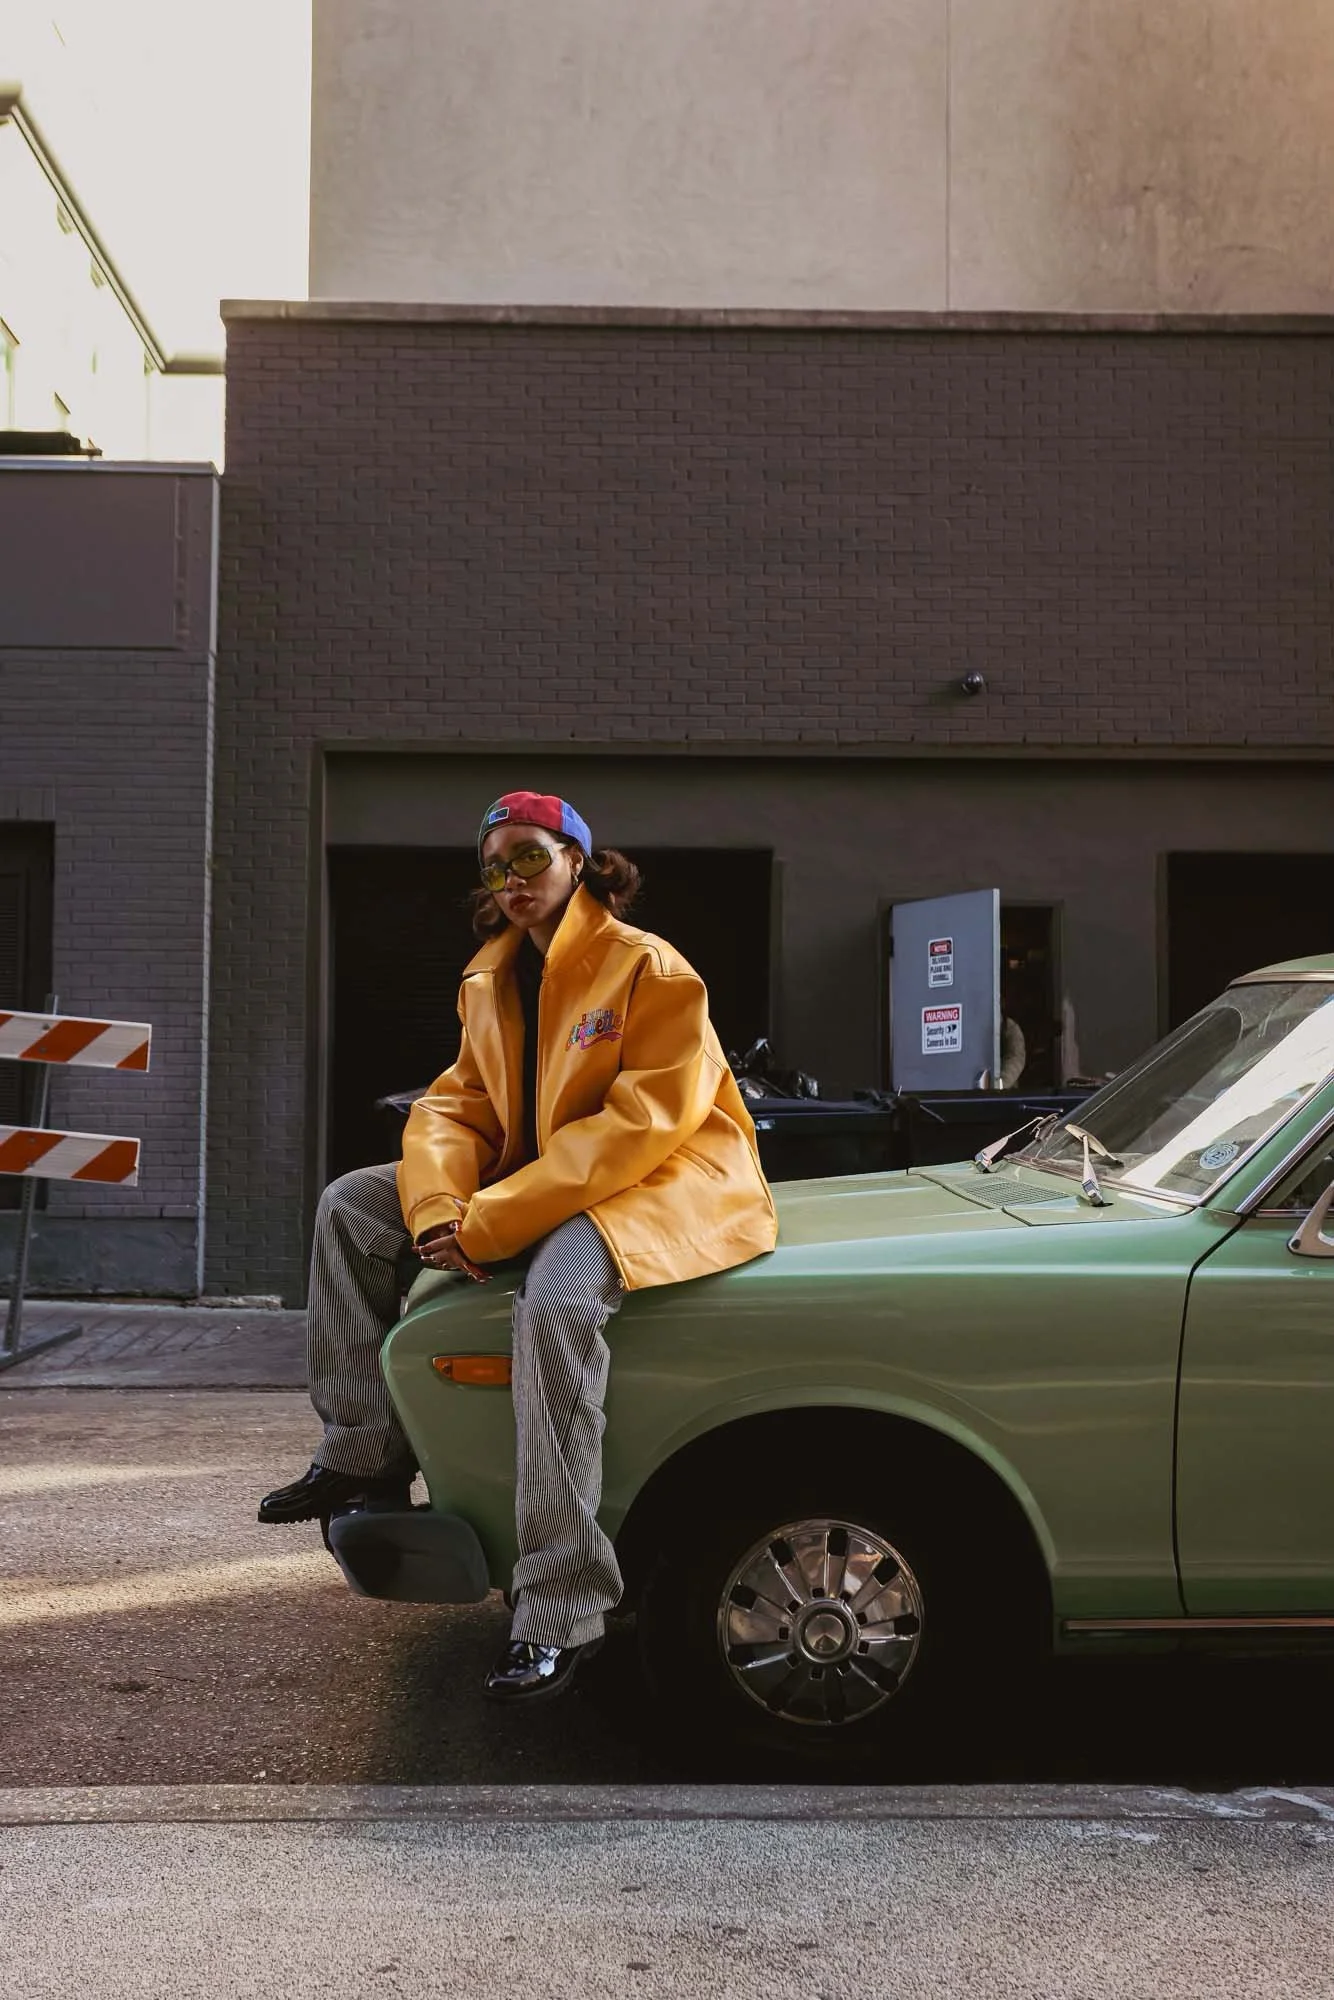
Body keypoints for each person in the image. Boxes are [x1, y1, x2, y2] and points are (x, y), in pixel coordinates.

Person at [258, 791, 778, 1703]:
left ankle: (561, 1605)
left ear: (580, 860)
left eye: (530, 855)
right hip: (542, 1174)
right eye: (495, 864)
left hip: (655, 1181)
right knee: (352, 1208)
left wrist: (491, 1219)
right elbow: (455, 1107)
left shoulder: (649, 967)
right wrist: (436, 1208)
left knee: (557, 1304)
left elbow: (641, 1125)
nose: (512, 878)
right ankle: (363, 1450)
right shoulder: (491, 977)